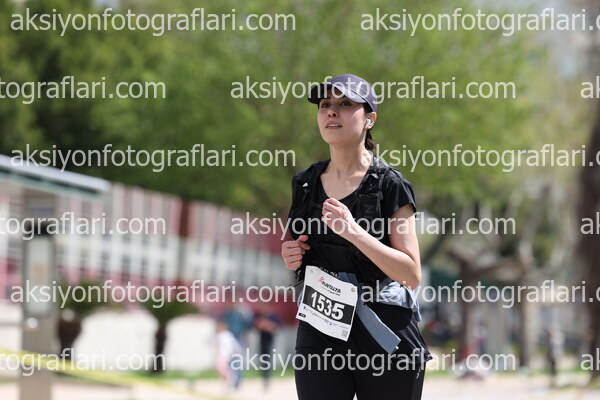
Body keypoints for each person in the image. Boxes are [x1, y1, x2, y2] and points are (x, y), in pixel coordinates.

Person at [281, 73, 432, 400]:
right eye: (325, 104)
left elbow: (411, 274)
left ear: (369, 119)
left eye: (345, 103)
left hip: (383, 329)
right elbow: (297, 246)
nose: (331, 111)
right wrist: (290, 254)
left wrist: (354, 232)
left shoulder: (390, 184)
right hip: (321, 323)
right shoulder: (304, 183)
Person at [253, 302, 282, 390]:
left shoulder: (273, 316)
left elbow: (278, 327)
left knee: (268, 360)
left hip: (269, 340)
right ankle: (264, 378)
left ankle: (267, 378)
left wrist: (270, 326)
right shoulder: (259, 316)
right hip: (262, 340)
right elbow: (254, 325)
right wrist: (260, 325)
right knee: (262, 360)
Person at [214, 320, 243, 392]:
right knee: (222, 368)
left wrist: (238, 350)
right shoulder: (226, 335)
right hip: (226, 354)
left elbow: (233, 344)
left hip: (224, 355)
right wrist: (238, 350)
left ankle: (229, 378)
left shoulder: (223, 335)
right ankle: (228, 379)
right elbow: (234, 344)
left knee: (221, 368)